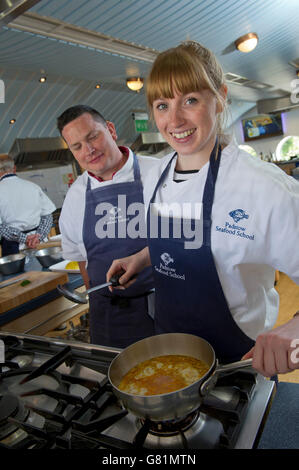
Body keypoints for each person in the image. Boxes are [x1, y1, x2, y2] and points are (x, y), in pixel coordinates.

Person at [107, 40, 299, 376]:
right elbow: (183, 237)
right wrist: (142, 257)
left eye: (190, 100)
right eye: (162, 105)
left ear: (221, 96)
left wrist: (296, 328)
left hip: (240, 365)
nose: (175, 119)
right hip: (170, 358)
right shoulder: (156, 176)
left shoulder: (265, 188)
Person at [57, 105, 156, 348]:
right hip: (110, 316)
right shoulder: (75, 196)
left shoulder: (159, 172)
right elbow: (82, 261)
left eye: (93, 137)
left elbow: (189, 239)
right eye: (77, 146)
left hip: (165, 306)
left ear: (110, 130)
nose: (88, 150)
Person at [0, 154, 56, 256]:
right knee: (45, 271)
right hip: (40, 244)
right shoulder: (33, 186)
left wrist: (24, 238)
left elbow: (1, 228)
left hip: (14, 248)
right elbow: (47, 216)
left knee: (20, 272)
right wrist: (38, 236)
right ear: (14, 168)